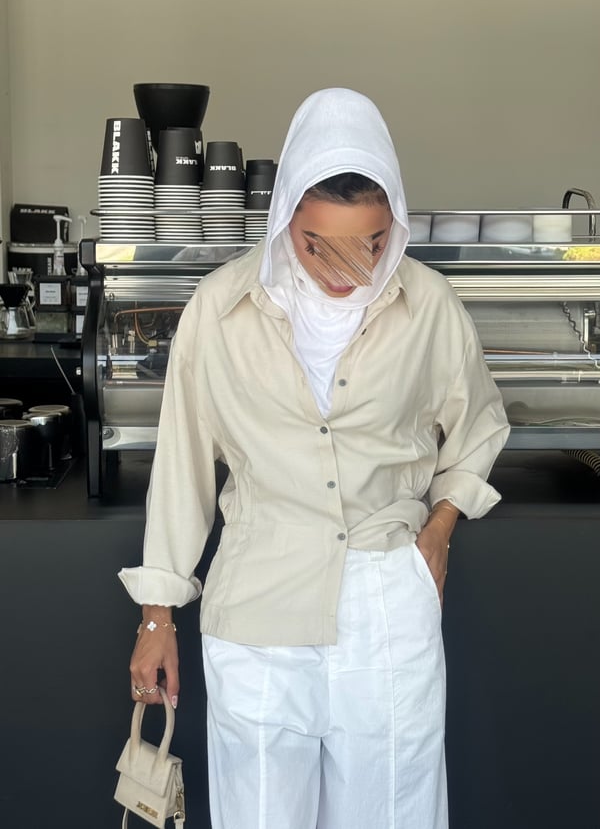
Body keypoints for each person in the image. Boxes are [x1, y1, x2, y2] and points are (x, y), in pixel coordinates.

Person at [121, 87, 510, 829]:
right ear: (283, 218)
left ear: (393, 221)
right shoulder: (220, 309)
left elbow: (480, 424)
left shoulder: (430, 306)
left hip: (386, 603)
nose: (346, 268)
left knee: (391, 814)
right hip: (258, 603)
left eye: (371, 242)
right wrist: (155, 617)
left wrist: (439, 529)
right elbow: (182, 469)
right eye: (317, 243)